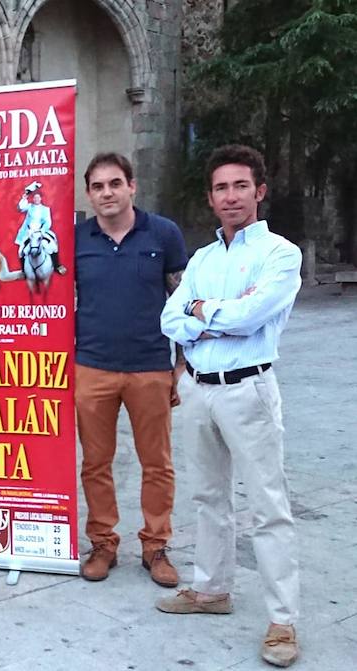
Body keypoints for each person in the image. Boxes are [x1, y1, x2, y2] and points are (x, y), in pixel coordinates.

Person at [157, 145, 301, 668]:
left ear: (259, 191)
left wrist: (201, 311)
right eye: (221, 188)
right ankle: (211, 590)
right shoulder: (202, 258)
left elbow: (251, 317)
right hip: (198, 388)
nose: (231, 196)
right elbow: (170, 319)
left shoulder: (281, 254)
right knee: (208, 497)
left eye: (241, 186)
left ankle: (282, 620)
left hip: (248, 389)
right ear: (211, 197)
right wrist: (214, 314)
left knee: (268, 505)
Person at [75, 152, 188, 587]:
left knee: (157, 463)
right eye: (98, 186)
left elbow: (182, 302)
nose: (107, 193)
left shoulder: (163, 233)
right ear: (89, 194)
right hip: (92, 367)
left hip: (150, 368)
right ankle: (103, 543)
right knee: (95, 463)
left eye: (115, 183)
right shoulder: (77, 239)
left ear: (131, 186)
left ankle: (155, 546)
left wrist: (180, 365)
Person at [15, 185, 66, 275]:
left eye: (38, 197)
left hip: (41, 231)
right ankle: (24, 271)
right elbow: (20, 208)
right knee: (21, 251)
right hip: (29, 232)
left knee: (53, 246)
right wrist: (24, 198)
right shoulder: (29, 207)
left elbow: (48, 222)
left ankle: (56, 265)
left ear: (41, 198)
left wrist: (42, 231)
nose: (36, 199)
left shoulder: (45, 209)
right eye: (35, 198)